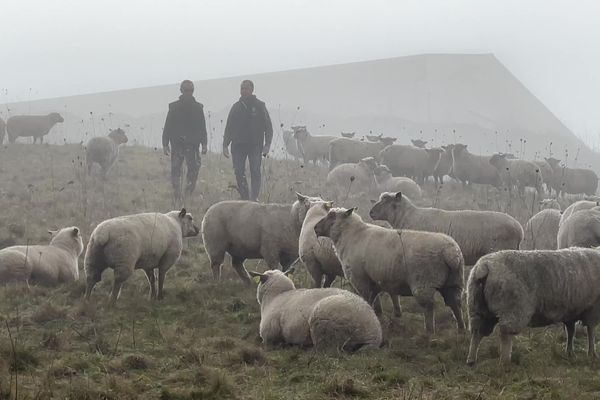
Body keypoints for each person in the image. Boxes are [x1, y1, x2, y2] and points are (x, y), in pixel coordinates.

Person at [223, 79, 273, 201]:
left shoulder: (260, 106)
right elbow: (229, 126)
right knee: (239, 172)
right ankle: (245, 197)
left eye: (246, 88)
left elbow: (268, 127)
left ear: (252, 90)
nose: (243, 91)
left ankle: (254, 197)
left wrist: (267, 145)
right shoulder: (236, 107)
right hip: (238, 145)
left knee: (255, 170)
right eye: (242, 88)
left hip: (255, 145)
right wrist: (225, 145)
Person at [162, 80, 207, 206]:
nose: (189, 93)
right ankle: (177, 195)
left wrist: (204, 143)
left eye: (191, 90)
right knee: (176, 170)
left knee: (193, 169)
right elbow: (168, 125)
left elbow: (202, 126)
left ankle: (188, 194)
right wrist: (165, 143)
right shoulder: (174, 107)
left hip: (193, 145)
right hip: (177, 144)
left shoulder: (198, 108)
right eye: (186, 90)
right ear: (181, 90)